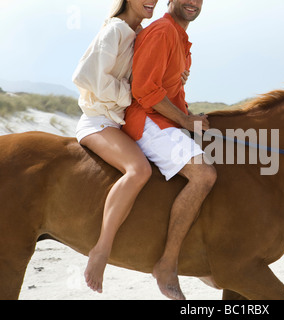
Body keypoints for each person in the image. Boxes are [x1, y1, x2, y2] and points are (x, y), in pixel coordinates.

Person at [72, 0, 188, 294]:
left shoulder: (139, 32)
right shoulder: (115, 30)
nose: (152, 1)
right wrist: (132, 95)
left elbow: (148, 77)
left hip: (117, 122)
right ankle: (101, 250)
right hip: (98, 121)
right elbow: (85, 77)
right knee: (138, 170)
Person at [122, 0, 216, 300]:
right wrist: (186, 120)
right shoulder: (162, 31)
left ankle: (202, 255)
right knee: (203, 175)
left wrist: (187, 118)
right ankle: (167, 264)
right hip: (146, 120)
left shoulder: (181, 37)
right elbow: (144, 90)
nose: (193, 2)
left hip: (166, 119)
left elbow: (171, 89)